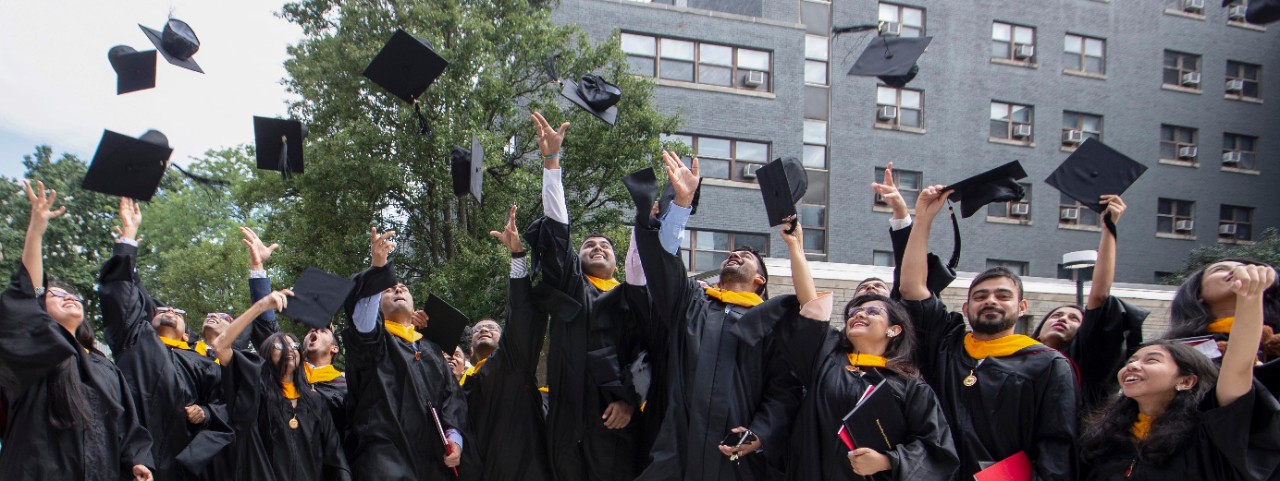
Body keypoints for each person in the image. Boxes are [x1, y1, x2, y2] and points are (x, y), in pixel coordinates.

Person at [632, 151, 802, 481]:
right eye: (732, 252)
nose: (735, 253)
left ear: (760, 280)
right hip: (678, 452)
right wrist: (681, 203)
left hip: (735, 457)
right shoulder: (693, 303)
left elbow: (784, 391)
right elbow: (665, 265)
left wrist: (761, 432)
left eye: (748, 256)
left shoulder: (772, 323)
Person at [899, 184, 1078, 480]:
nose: (991, 301)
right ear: (966, 308)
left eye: (1003, 296)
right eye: (980, 297)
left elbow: (1057, 446)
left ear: (1022, 307)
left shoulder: (1047, 364)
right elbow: (912, 288)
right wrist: (923, 220)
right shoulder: (948, 343)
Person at [774, 217, 959, 480]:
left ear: (894, 329)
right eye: (855, 310)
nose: (859, 314)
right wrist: (795, 247)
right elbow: (811, 305)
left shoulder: (911, 386)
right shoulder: (828, 359)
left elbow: (937, 450)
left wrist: (887, 461)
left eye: (872, 311)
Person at [0, 180, 155, 481]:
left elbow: (128, 426)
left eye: (73, 296)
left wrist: (137, 461)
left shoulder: (104, 367)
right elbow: (26, 295)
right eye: (56, 295)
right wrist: (36, 231)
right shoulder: (35, 354)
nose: (69, 297)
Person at [524, 112, 644, 480]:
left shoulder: (631, 298)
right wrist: (551, 163)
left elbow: (646, 353)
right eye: (589, 244)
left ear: (617, 261)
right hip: (568, 421)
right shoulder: (572, 288)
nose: (596, 247)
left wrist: (632, 400)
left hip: (613, 423)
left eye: (604, 245)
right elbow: (559, 228)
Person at [1078, 264, 1280, 480]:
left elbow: (1239, 366)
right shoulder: (1105, 441)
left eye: (1152, 360)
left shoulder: (1209, 434)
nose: (1133, 365)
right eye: (1132, 360)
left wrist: (1250, 296)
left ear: (1186, 380)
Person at [98, 197, 234, 481]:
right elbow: (121, 298)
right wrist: (127, 238)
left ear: (186, 332)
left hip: (186, 460)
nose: (170, 310)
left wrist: (207, 412)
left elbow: (229, 401)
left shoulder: (203, 362)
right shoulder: (135, 340)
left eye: (177, 310)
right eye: (162, 309)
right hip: (135, 456)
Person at [342, 227, 468, 481]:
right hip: (384, 456)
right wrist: (378, 270)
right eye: (389, 290)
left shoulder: (431, 348)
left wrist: (455, 440)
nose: (398, 290)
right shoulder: (372, 340)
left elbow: (451, 399)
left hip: (432, 459)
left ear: (414, 307)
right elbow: (364, 321)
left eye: (403, 289)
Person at [452, 204, 555, 481]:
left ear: (504, 341)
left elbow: (520, 314)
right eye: (478, 329)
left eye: (492, 328)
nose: (483, 329)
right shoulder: (461, 385)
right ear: (470, 349)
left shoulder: (512, 361)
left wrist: (517, 255)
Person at [209, 284, 352, 480]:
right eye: (279, 345)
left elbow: (334, 454)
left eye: (293, 344)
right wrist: (261, 306)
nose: (289, 349)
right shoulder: (254, 394)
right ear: (267, 354)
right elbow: (221, 346)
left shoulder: (314, 401)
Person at [1029, 196, 1147, 410]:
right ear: (1037, 332)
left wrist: (1109, 226)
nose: (1063, 318)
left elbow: (1099, 296)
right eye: (1056, 315)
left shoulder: (1084, 363)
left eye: (1074, 318)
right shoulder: (1015, 359)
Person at [238, 226, 351, 448]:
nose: (313, 331)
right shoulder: (288, 370)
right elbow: (267, 324)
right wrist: (258, 268)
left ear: (335, 349)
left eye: (322, 331)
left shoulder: (345, 383)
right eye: (310, 331)